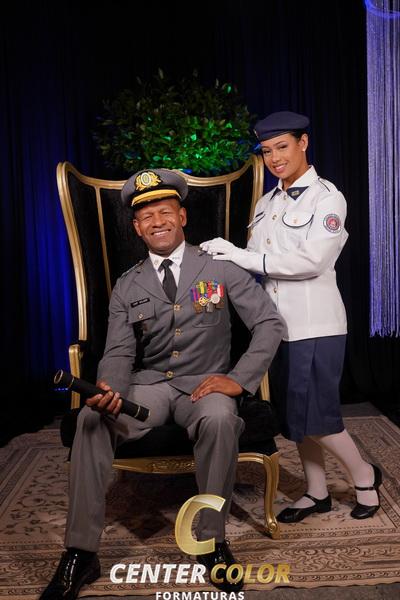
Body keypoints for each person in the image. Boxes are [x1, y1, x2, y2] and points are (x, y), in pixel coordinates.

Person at [40, 168, 284, 599]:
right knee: (91, 422)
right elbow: (119, 351)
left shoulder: (220, 267)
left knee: (220, 420)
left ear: (182, 216)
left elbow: (269, 323)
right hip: (149, 387)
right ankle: (81, 552)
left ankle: (211, 542)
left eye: (165, 212)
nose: (158, 222)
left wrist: (238, 380)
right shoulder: (127, 284)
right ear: (137, 227)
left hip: (204, 386)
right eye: (147, 216)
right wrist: (110, 388)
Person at [201, 110, 383, 525]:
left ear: (303, 143)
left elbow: (310, 261)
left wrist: (240, 255)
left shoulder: (327, 197)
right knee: (295, 418)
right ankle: (317, 492)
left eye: (282, 147)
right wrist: (217, 267)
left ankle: (365, 477)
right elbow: (252, 263)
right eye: (267, 151)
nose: (275, 158)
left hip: (315, 325)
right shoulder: (267, 203)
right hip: (276, 327)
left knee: (318, 416)